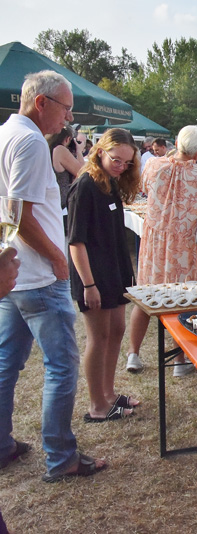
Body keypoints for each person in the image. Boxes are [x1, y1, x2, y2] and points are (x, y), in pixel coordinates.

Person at [0, 70, 107, 480]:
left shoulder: (9, 134)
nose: (68, 117)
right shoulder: (28, 140)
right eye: (65, 107)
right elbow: (20, 213)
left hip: (15, 273)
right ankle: (61, 458)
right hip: (38, 274)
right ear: (41, 103)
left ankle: (2, 444)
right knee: (61, 366)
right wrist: (58, 260)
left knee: (7, 362)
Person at [125, 125, 197, 374]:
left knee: (145, 297)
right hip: (186, 244)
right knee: (184, 300)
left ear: (177, 141)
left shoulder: (153, 165)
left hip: (156, 239)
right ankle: (179, 361)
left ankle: (133, 354)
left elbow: (143, 188)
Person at [67, 128, 140, 422]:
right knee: (98, 337)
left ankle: (109, 394)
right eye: (116, 159)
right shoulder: (84, 185)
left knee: (116, 330)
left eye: (126, 163)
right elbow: (76, 241)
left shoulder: (109, 182)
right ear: (100, 151)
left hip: (114, 271)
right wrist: (89, 284)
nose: (121, 166)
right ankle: (97, 405)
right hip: (93, 275)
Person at [46, 125, 84, 227]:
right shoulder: (60, 150)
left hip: (52, 205)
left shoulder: (47, 149)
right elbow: (82, 173)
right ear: (68, 139)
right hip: (60, 207)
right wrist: (79, 151)